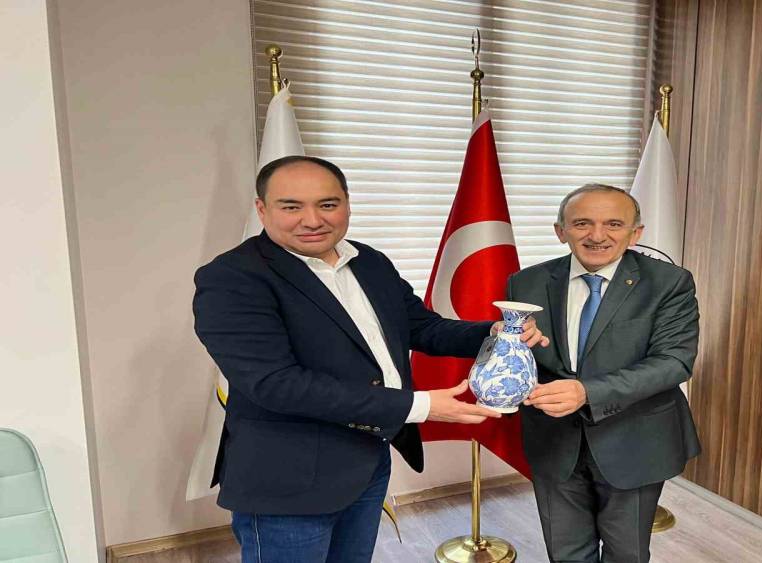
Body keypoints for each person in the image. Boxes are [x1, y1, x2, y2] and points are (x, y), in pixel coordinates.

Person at [193, 155, 547, 562]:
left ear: (346, 203)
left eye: (327, 204)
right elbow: (276, 385)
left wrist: (493, 333)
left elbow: (422, 327)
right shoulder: (232, 278)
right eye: (291, 206)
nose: (312, 220)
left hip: (367, 461)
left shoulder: (369, 261)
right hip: (287, 481)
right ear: (262, 209)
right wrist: (421, 406)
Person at [506, 183, 701, 563]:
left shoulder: (669, 283)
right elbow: (519, 356)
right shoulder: (525, 282)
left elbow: (674, 361)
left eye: (614, 224)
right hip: (552, 441)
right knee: (566, 553)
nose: (597, 236)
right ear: (560, 231)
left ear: (635, 233)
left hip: (634, 440)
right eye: (582, 223)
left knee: (625, 553)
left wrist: (587, 392)